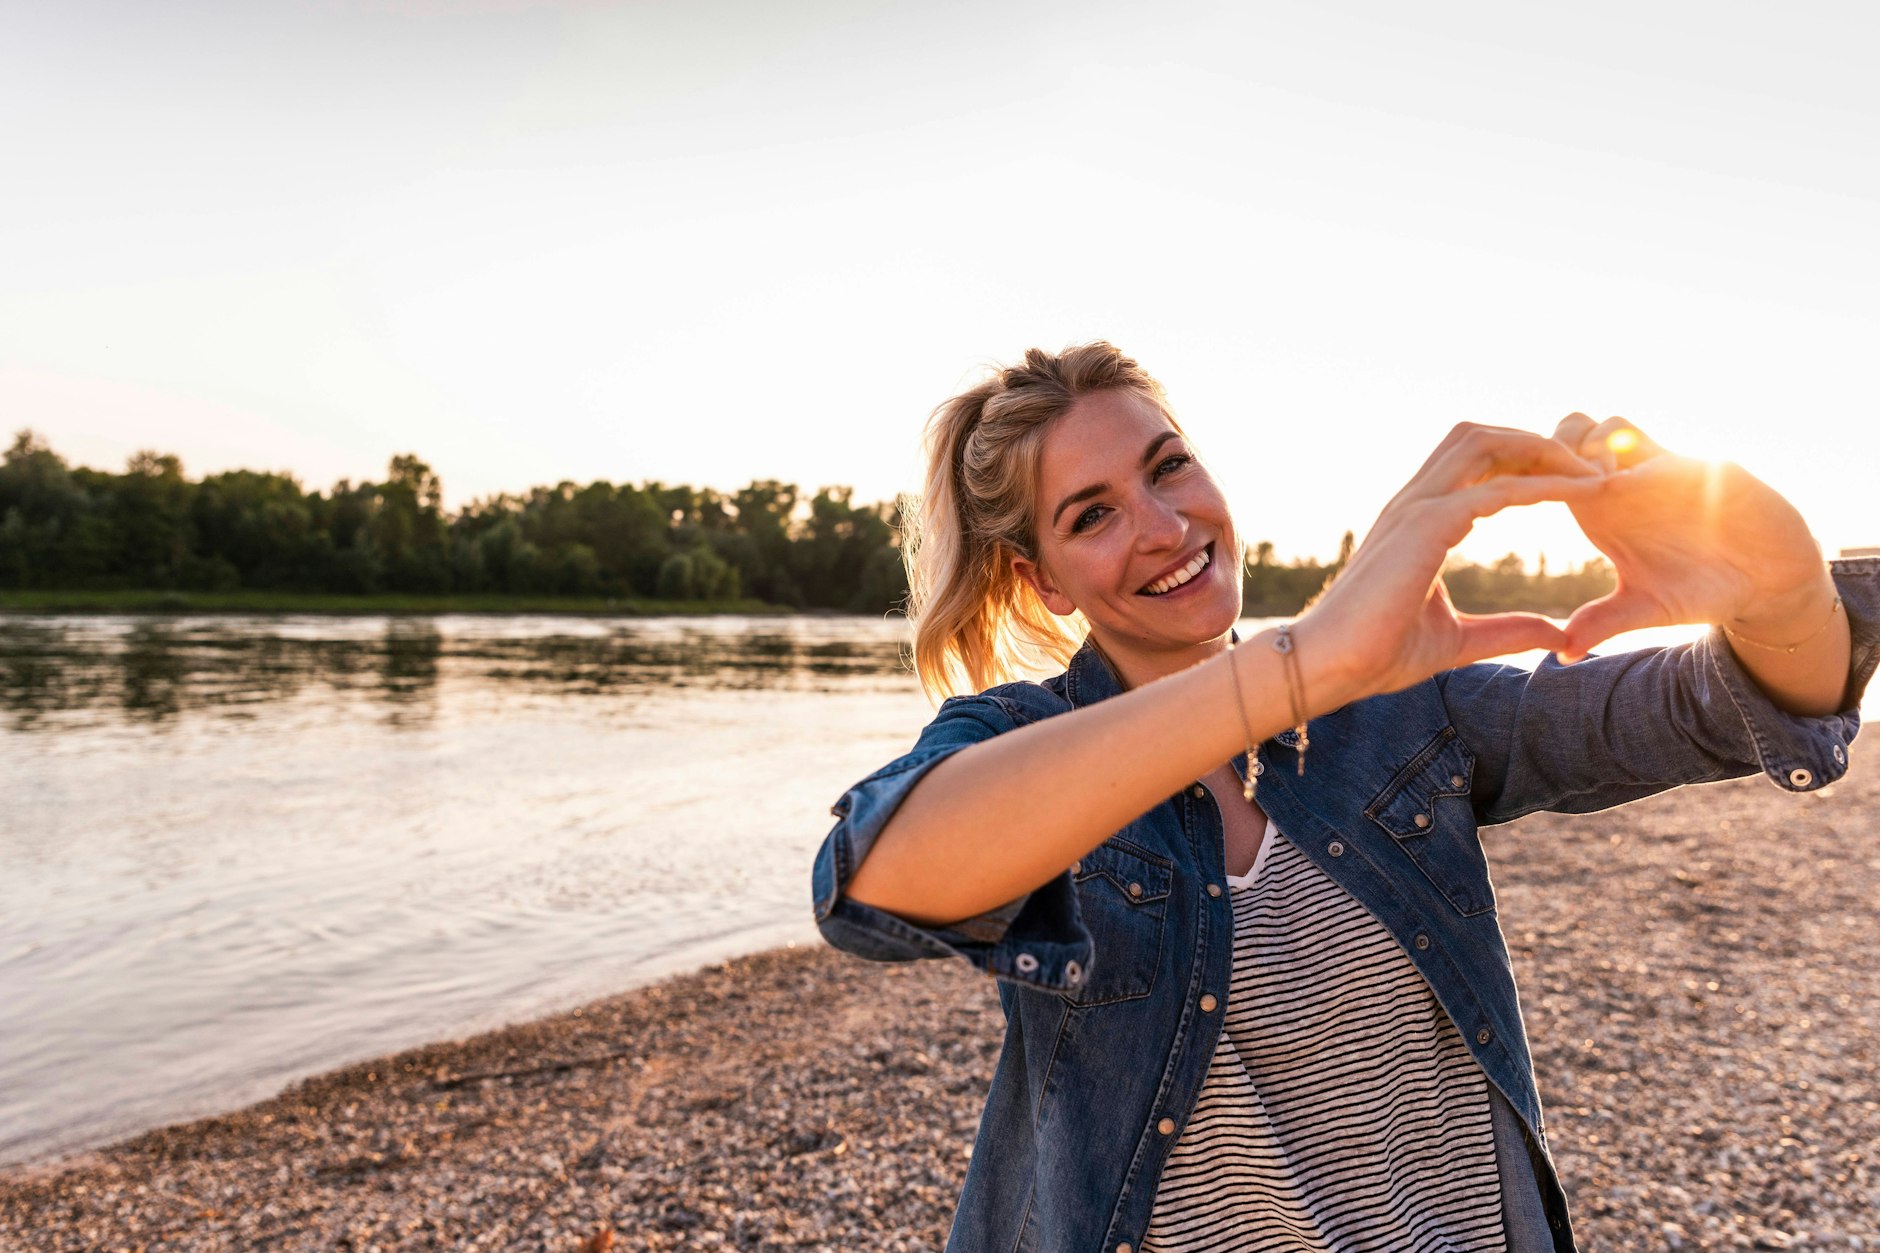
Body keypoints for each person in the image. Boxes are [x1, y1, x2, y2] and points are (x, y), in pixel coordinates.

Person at [809, 342, 1876, 1253]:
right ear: (1040, 578)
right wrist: (1298, 662)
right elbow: (870, 882)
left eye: (1167, 467)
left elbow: (1733, 706)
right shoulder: (1023, 740)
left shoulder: (1399, 711)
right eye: (1091, 514)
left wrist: (1781, 592)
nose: (1161, 524)